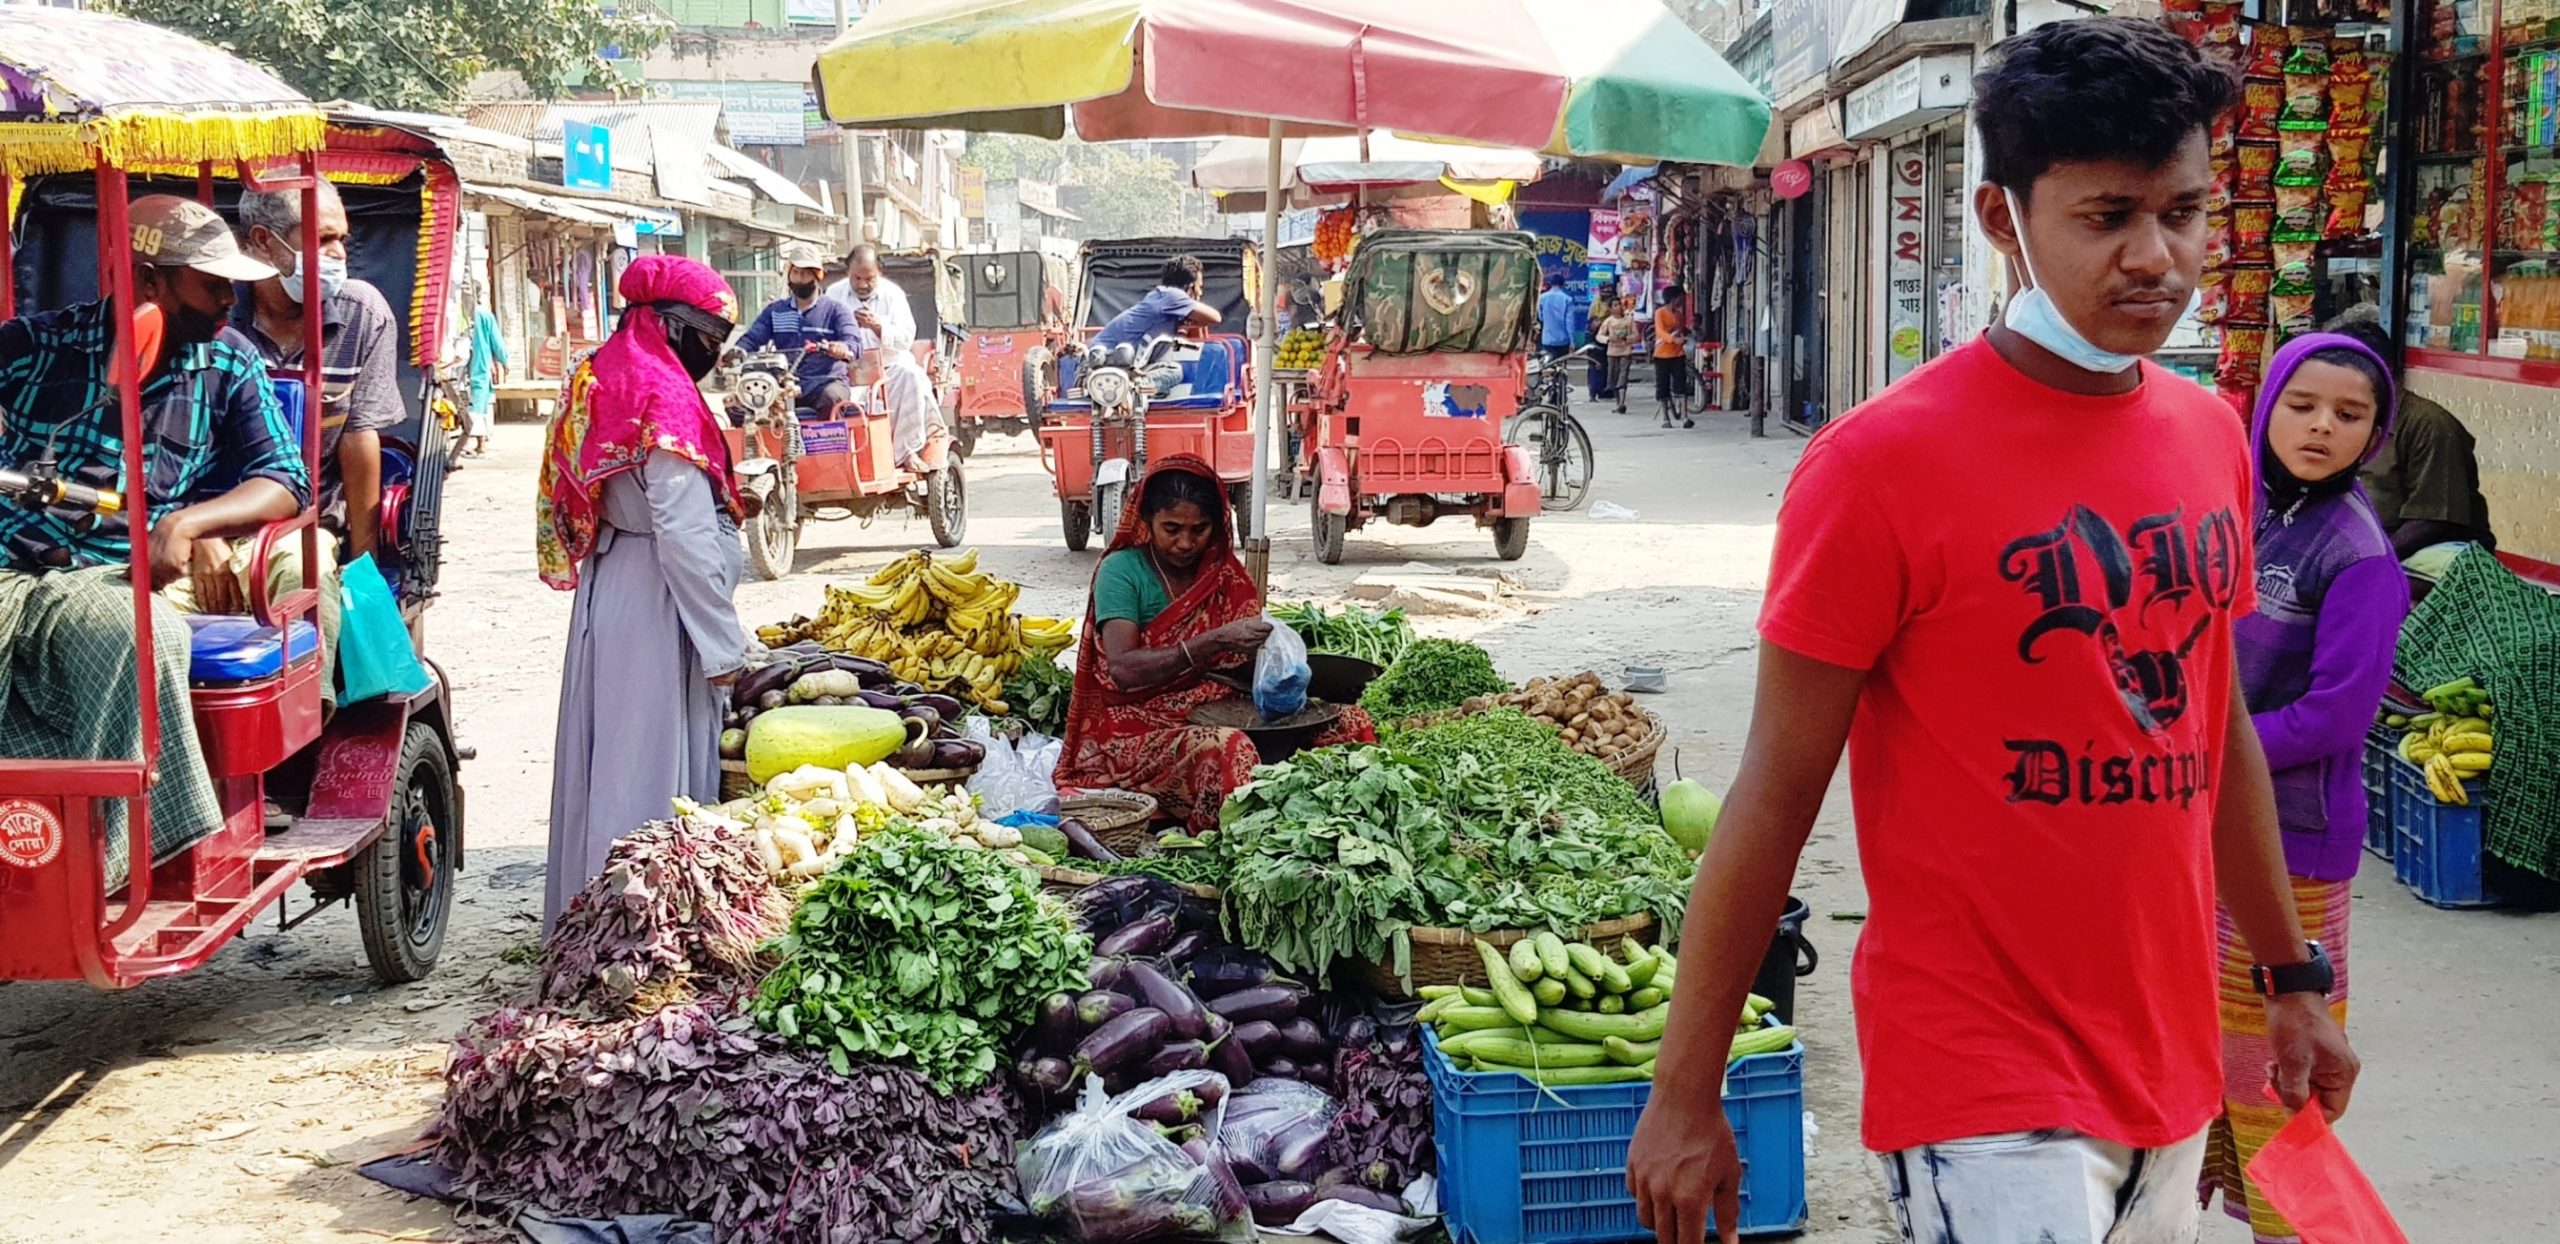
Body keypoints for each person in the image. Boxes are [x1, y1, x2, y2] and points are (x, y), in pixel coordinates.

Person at [1623, 22, 2358, 1244]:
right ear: (2000, 217)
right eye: (2105, 215)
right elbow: (1772, 790)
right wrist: (1682, 1089)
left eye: (2182, 213)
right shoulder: (1876, 466)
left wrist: (2288, 980)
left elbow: (2211, 716)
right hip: (1977, 1064)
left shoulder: (2207, 433)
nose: (2155, 258)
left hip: (2164, 1046)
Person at [0, 194, 310, 884]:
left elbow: (286, 478)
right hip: (11, 560)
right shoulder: (39, 344)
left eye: (231, 283)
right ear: (147, 280)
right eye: (210, 285)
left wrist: (188, 522)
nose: (229, 300)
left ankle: (108, 862)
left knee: (140, 638)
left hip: (112, 574)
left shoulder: (229, 363)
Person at [2207, 331, 2406, 1243]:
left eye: (2349, 415)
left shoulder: (2360, 556)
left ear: (2373, 434)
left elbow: (2335, 718)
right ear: (2268, 405)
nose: (2322, 427)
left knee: (2274, 1082)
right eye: (2303, 405)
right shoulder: (2233, 506)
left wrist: (2207, 754)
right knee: (2195, 1065)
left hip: (2294, 845)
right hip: (2199, 828)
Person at [538, 255, 754, 930]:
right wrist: (726, 647)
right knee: (646, 770)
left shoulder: (600, 374)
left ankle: (589, 918)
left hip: (611, 584)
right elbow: (684, 534)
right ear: (671, 326)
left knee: (607, 761)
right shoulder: (663, 394)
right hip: (657, 598)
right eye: (710, 338)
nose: (714, 355)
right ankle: (636, 930)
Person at [1056, 457, 1376, 832]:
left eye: (1200, 529)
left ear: (1218, 525)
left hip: (1221, 708)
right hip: (1138, 725)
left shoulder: (1223, 576)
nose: (1186, 543)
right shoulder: (1122, 572)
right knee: (1228, 751)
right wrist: (1213, 641)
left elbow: (1235, 671)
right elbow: (1124, 670)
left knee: (1352, 724)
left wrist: (1284, 671)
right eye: (1171, 528)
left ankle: (1331, 830)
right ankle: (1226, 845)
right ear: (1146, 521)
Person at [232, 180, 401, 565]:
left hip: (311, 527)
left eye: (342, 238)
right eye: (324, 239)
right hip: (216, 518)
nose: (339, 253)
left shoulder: (363, 311)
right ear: (263, 242)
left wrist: (363, 562)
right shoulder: (217, 311)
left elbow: (358, 439)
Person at [2325, 311, 2496, 564]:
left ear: (2381, 369)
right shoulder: (2342, 420)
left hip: (2435, 558)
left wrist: (2366, 561)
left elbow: (2433, 521)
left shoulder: (2429, 425)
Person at [825, 243, 944, 469]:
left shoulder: (893, 295)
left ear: (879, 271)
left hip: (890, 369)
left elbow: (906, 337)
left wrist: (878, 327)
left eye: (868, 279)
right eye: (856, 278)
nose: (862, 284)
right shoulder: (834, 294)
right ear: (847, 273)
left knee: (912, 377)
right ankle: (842, 461)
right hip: (848, 370)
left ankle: (907, 452)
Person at [736, 241, 862, 420]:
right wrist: (737, 351)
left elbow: (854, 343)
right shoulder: (776, 311)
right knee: (742, 405)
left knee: (832, 398)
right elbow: (753, 338)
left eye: (805, 274)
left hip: (824, 382)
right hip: (784, 384)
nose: (799, 279)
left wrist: (841, 348)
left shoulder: (836, 310)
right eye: (795, 273)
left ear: (817, 276)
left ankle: (828, 446)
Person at [1094, 255, 1219, 353]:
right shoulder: (1173, 296)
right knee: (1174, 372)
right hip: (1107, 357)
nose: (1201, 292)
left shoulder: (1160, 296)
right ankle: (1142, 386)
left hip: (1104, 352)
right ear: (1191, 286)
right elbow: (1215, 318)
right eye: (1199, 287)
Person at [459, 282, 506, 459]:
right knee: (477, 403)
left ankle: (478, 443)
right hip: (476, 366)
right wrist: (503, 360)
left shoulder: (475, 315)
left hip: (474, 366)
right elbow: (497, 343)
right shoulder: (475, 315)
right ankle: (479, 443)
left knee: (475, 403)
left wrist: (503, 360)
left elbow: (496, 343)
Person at [1652, 285, 1691, 428]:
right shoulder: (1660, 313)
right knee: (1663, 387)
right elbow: (1660, 332)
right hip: (1662, 354)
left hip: (1678, 353)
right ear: (1674, 299)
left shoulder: (1679, 315)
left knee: (1681, 385)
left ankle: (1685, 416)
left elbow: (1682, 330)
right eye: (1680, 297)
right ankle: (1665, 417)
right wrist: (1673, 339)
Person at [1598, 295, 1640, 414]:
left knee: (1623, 376)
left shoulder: (1629, 320)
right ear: (1610, 309)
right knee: (1613, 378)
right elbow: (1599, 335)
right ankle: (1618, 403)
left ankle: (1622, 402)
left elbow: (1636, 335)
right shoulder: (1609, 321)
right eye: (1615, 305)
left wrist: (1627, 338)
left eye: (1619, 304)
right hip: (1612, 353)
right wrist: (1608, 339)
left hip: (1625, 352)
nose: (1619, 307)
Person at [1536, 270, 1574, 363]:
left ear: (1551, 283)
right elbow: (1569, 322)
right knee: (1561, 366)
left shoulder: (1542, 298)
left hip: (1547, 339)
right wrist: (1572, 341)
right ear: (1563, 284)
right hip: (1563, 340)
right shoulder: (1567, 299)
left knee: (1548, 366)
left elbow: (1540, 317)